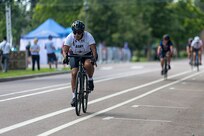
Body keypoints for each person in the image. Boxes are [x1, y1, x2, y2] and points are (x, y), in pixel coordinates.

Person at [62, 20, 98, 107]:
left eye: (79, 32)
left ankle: (90, 79)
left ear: (82, 32)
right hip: (74, 55)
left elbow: (93, 50)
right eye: (75, 32)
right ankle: (74, 96)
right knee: (74, 73)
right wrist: (65, 57)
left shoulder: (88, 36)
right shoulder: (70, 37)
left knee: (87, 65)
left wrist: (94, 58)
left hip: (87, 54)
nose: (76, 34)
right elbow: (64, 50)